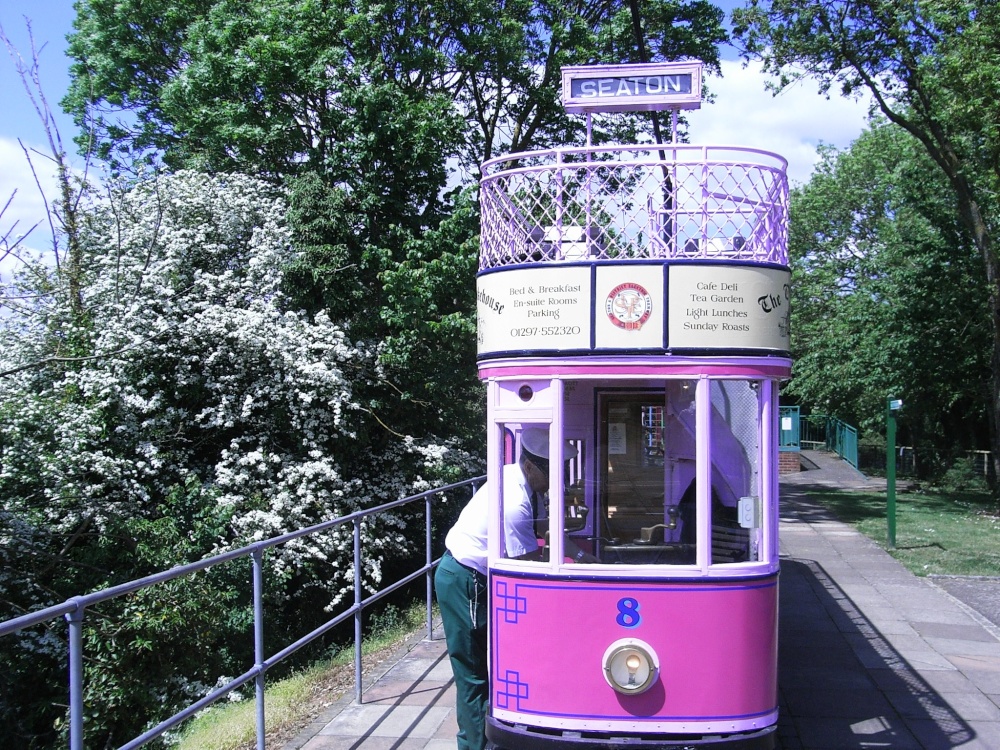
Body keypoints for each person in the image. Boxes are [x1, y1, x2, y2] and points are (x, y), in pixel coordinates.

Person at [434, 427, 595, 750]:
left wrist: (581, 556)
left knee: (485, 666)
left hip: (471, 577)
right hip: (465, 579)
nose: (558, 481)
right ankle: (473, 746)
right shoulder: (514, 502)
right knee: (473, 673)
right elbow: (530, 567)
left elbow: (548, 532)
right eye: (554, 472)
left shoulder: (520, 480)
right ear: (532, 466)